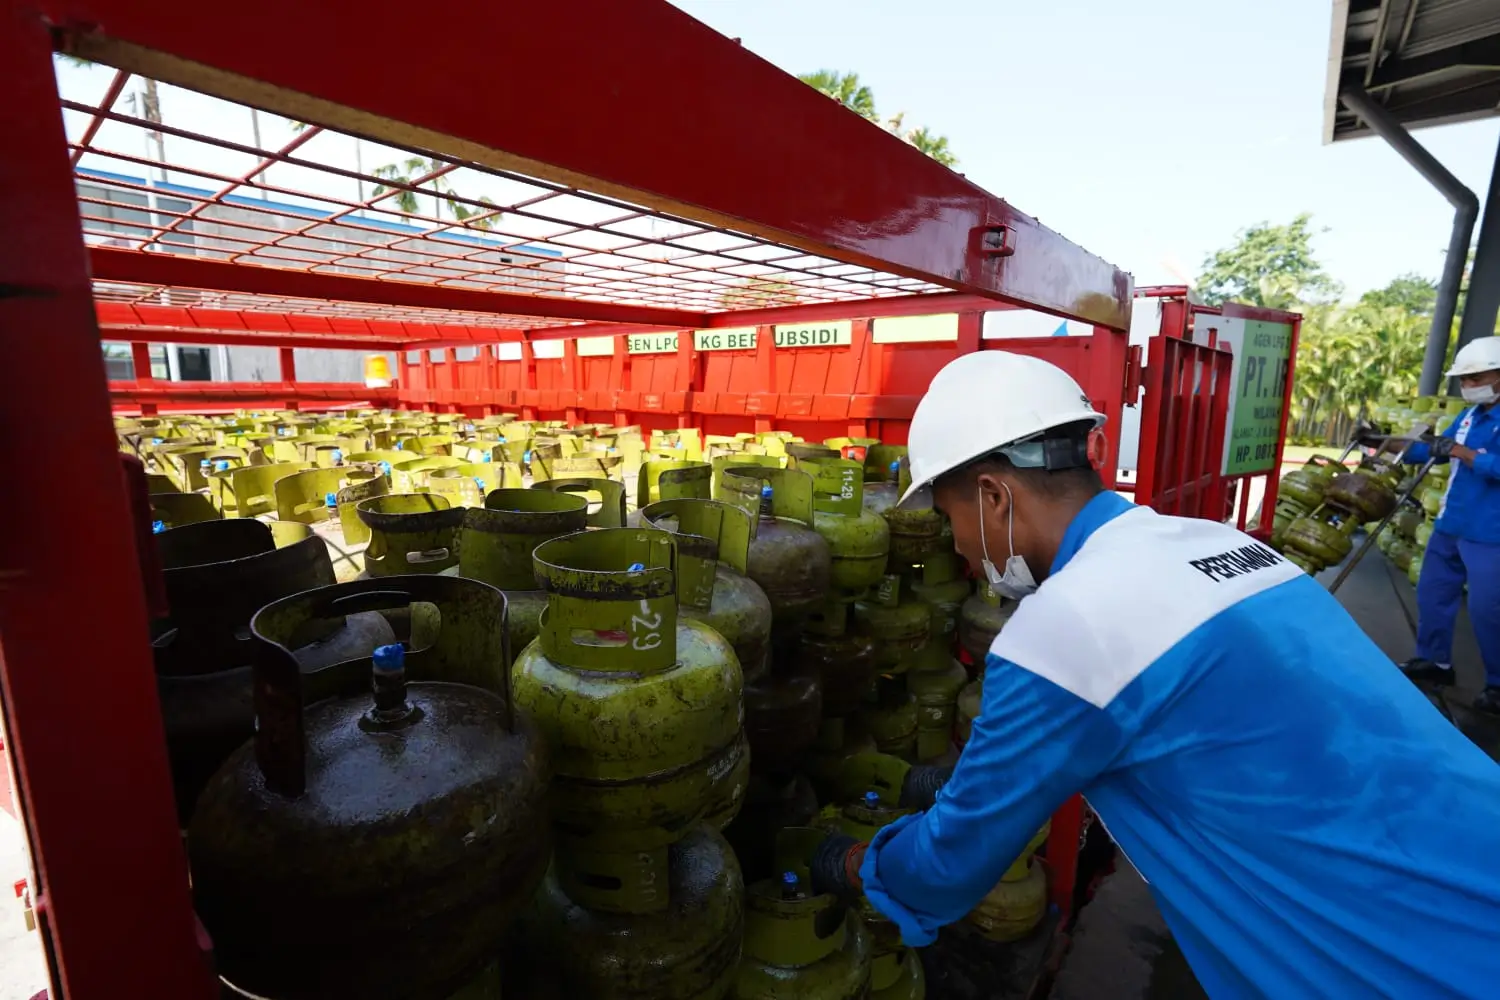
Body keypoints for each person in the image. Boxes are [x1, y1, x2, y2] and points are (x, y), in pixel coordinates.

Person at [811, 351, 1500, 999]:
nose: (959, 545)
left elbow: (944, 870)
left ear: (993, 496)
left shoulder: (1063, 627)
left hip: (1415, 959)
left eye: (948, 517)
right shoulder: (1228, 547)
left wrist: (851, 863)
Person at [1398, 335, 1500, 713]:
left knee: (1488, 611)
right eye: (1464, 379)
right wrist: (1387, 442)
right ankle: (1434, 662)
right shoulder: (1470, 416)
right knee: (1433, 595)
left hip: (1491, 532)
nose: (1468, 385)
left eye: (1476, 378)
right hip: (1451, 523)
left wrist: (1463, 452)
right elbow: (1436, 450)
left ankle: (1497, 684)